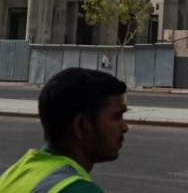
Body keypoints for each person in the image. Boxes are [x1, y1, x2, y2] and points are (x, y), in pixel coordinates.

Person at [0, 68, 129, 192]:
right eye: (117, 117)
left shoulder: (12, 176)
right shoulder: (77, 189)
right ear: (81, 126)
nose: (125, 127)